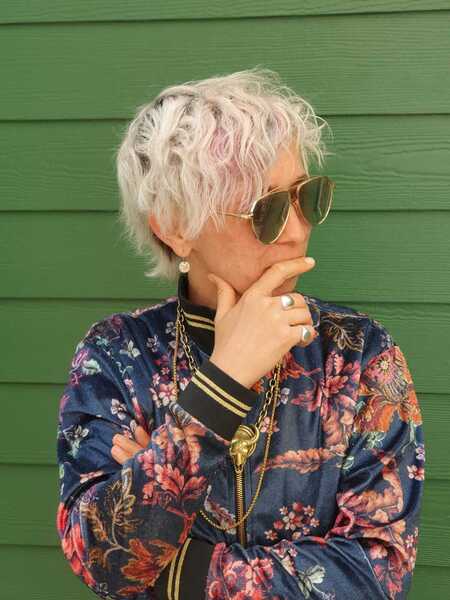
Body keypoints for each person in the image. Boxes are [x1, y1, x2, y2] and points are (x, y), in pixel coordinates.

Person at [56, 67, 425, 599]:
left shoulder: (356, 355)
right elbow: (106, 563)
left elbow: (375, 576)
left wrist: (173, 566)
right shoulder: (116, 356)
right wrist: (222, 383)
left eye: (306, 196)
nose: (297, 229)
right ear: (175, 227)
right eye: (265, 211)